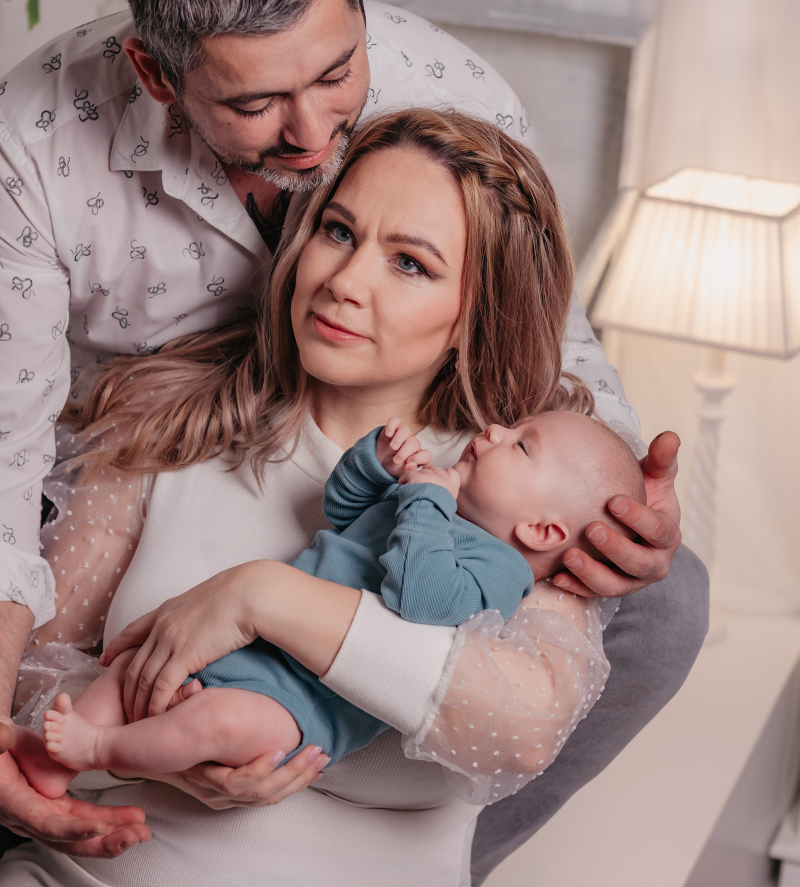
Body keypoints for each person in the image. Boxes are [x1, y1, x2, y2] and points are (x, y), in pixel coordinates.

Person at [0, 0, 703, 873]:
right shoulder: (35, 151)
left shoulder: (448, 93)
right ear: (156, 73)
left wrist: (262, 598)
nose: (312, 133)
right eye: (333, 229)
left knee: (667, 600)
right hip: (159, 415)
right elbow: (11, 468)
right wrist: (128, 748)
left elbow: (547, 347)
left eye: (336, 77)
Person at [1, 109, 653, 885]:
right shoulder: (164, 423)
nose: (344, 283)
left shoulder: (513, 501)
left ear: (472, 315)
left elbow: (521, 727)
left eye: (409, 263)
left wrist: (261, 597)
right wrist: (161, 747)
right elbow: (34, 677)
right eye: (338, 232)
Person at [10, 409, 643, 798]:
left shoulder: (499, 572)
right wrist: (375, 466)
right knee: (131, 671)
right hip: (244, 649)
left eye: (521, 445)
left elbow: (420, 598)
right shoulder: (428, 503)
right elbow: (342, 512)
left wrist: (427, 498)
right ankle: (52, 762)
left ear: (542, 532)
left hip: (297, 707)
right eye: (512, 426)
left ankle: (100, 751)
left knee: (222, 726)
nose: (496, 432)